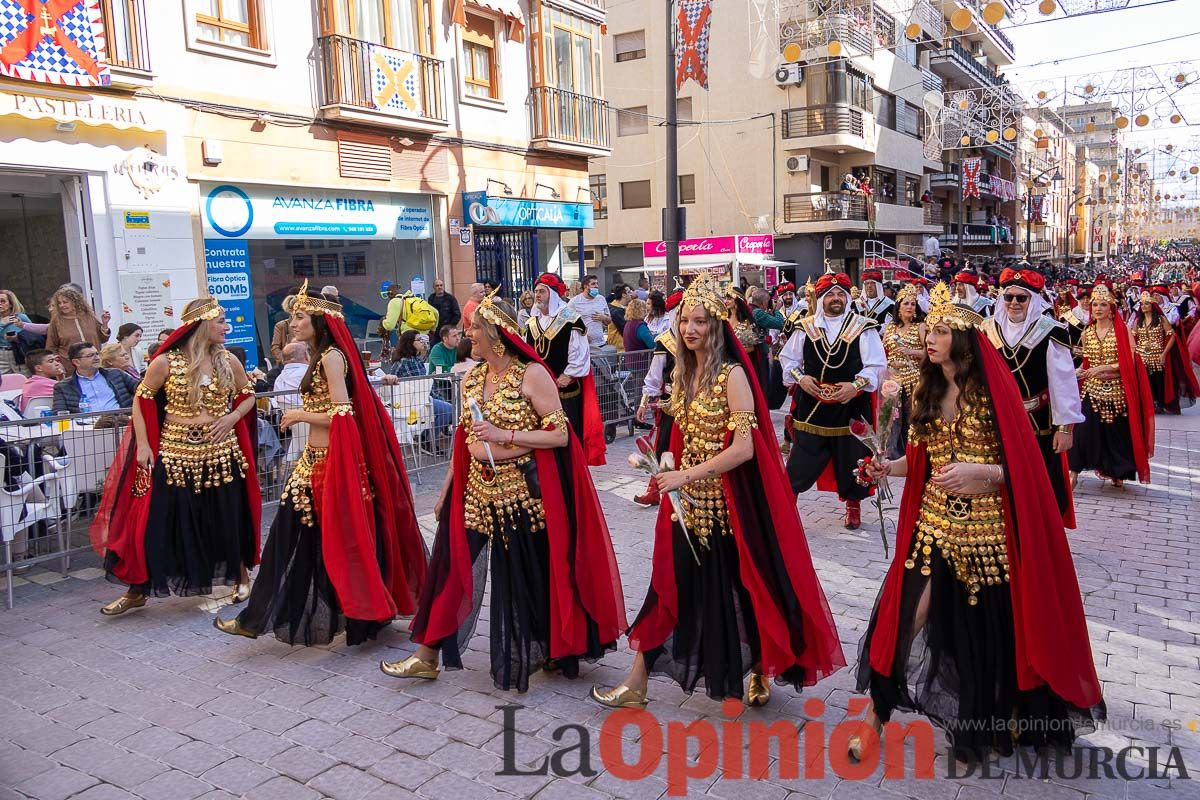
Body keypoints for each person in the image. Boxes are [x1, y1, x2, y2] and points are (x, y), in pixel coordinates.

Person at [853, 282, 1105, 764]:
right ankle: (875, 716)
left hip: (986, 533)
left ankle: (989, 718)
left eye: (942, 330)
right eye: (930, 328)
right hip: (932, 523)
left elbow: (1027, 468)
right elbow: (920, 459)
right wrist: (888, 467)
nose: (930, 337)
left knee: (985, 629)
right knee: (907, 616)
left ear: (963, 341)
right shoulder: (924, 389)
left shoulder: (992, 393)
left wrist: (983, 473)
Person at [591, 273, 844, 708]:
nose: (690, 329)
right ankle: (638, 681)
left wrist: (684, 476)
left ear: (717, 326)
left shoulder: (733, 377)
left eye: (701, 321)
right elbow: (683, 430)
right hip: (685, 508)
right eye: (686, 320)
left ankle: (761, 668)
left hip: (729, 510)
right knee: (666, 587)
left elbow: (745, 448)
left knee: (747, 590)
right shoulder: (684, 374)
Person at [384, 292, 625, 691]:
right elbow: (464, 440)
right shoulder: (473, 378)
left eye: (475, 328)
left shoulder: (533, 374)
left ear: (496, 333)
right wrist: (446, 491)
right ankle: (426, 655)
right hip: (476, 491)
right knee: (449, 570)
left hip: (523, 495)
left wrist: (505, 435)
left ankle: (545, 648)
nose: (468, 334)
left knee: (527, 578)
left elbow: (561, 435)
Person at [215, 283, 427, 645]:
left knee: (318, 539)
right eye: (292, 316)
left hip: (332, 464)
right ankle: (263, 617)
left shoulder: (331, 357)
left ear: (319, 321)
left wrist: (301, 413)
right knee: (289, 537)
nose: (292, 322)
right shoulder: (319, 355)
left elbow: (345, 413)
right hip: (312, 462)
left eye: (299, 317)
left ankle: (347, 614)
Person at [90, 298, 260, 615]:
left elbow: (248, 395)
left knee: (227, 516)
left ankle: (240, 576)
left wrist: (233, 417)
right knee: (158, 522)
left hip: (221, 452)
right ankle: (138, 589)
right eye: (220, 321)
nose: (227, 327)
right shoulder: (165, 362)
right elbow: (142, 401)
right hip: (174, 453)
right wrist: (143, 445)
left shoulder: (228, 361)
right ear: (201, 324)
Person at [780, 272, 886, 529]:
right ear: (821, 298)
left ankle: (853, 505)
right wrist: (801, 379)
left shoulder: (863, 326)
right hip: (812, 406)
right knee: (800, 460)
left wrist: (855, 385)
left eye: (841, 294)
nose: (836, 299)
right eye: (830, 295)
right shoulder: (805, 326)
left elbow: (877, 365)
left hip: (850, 406)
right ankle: (785, 506)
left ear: (848, 297)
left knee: (852, 458)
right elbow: (788, 360)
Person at [979, 268, 1083, 525]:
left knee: (1039, 483)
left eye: (1021, 298)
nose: (1014, 303)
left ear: (1033, 300)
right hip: (996, 420)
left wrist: (1065, 427)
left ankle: (1040, 533)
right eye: (1009, 297)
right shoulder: (986, 330)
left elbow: (1063, 383)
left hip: (1039, 422)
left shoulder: (1051, 331)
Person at [1068, 285, 1155, 489]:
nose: (1098, 308)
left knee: (1115, 433)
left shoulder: (1122, 330)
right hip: (1091, 389)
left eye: (1103, 304)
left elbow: (1131, 361)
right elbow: (1086, 363)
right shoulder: (1087, 332)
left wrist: (1103, 368)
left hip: (1116, 390)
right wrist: (1076, 372)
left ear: (1111, 308)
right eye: (1095, 304)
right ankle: (1073, 472)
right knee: (1082, 431)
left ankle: (1117, 471)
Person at [526, 273, 606, 465]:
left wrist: (566, 376)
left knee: (566, 439)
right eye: (536, 291)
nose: (537, 295)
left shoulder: (570, 320)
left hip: (564, 390)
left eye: (542, 291)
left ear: (553, 294)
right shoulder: (531, 323)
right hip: (539, 392)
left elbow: (580, 354)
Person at [634, 289, 683, 507]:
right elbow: (654, 375)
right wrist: (644, 402)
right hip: (670, 405)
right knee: (663, 447)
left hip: (700, 405)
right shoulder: (666, 341)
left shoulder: (706, 337)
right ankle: (655, 490)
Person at [1134, 290, 1198, 414]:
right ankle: (1149, 403)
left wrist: (1164, 354)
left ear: (1152, 306)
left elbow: (1172, 336)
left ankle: (1160, 403)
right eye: (1142, 304)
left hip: (1158, 354)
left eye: (1147, 304)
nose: (1144, 306)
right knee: (1146, 380)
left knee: (1159, 380)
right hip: (1142, 355)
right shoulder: (1138, 321)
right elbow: (1133, 337)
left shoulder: (1161, 319)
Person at [882, 285, 925, 458]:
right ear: (898, 306)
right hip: (892, 380)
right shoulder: (891, 328)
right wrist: (889, 363)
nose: (909, 307)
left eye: (913, 304)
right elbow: (882, 351)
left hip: (913, 379)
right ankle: (893, 454)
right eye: (906, 303)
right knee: (891, 418)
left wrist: (912, 352)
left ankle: (912, 454)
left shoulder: (920, 327)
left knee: (910, 417)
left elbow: (930, 352)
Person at [52, 342, 139, 414]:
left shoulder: (116, 374)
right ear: (76, 362)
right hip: (86, 429)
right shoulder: (63, 387)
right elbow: (59, 414)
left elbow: (139, 388)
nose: (97, 358)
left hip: (121, 421)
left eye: (97, 354)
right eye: (90, 355)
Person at [45, 286, 110, 375]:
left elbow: (103, 339)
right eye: (59, 303)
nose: (62, 305)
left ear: (75, 302)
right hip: (70, 367)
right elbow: (51, 346)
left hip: (94, 364)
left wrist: (105, 324)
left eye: (65, 302)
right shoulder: (56, 321)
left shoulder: (89, 316)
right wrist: (58, 364)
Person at [1, 289, 47, 375]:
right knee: (3, 383)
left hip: (19, 352)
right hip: (1, 354)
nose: (0, 304)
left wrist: (18, 338)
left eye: (3, 301)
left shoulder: (20, 317)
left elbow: (33, 335)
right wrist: (2, 323)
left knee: (24, 379)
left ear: (11, 304)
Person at [568, 275, 613, 351]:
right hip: (583, 345)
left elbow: (609, 321)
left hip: (601, 343)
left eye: (597, 283)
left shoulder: (601, 299)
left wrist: (604, 318)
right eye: (593, 284)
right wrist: (582, 333)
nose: (597, 286)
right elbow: (566, 323)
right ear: (586, 286)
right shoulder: (574, 302)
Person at [271, 341, 311, 408]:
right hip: (314, 415)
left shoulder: (278, 380)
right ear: (305, 356)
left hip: (288, 415)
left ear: (283, 360)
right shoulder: (310, 373)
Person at [270, 297, 296, 363]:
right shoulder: (281, 325)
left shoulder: (307, 324)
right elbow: (275, 347)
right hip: (287, 365)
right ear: (290, 310)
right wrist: (285, 360)